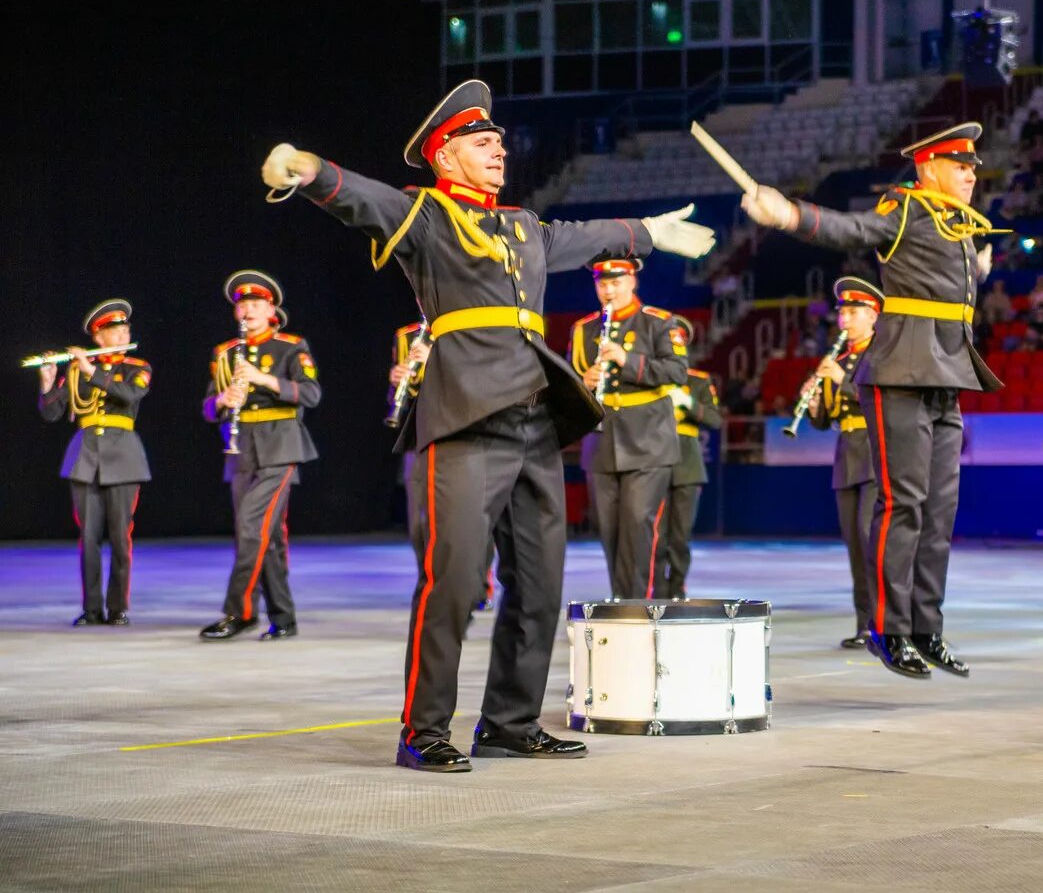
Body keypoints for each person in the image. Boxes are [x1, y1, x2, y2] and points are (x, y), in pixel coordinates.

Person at [258, 79, 714, 771]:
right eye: (481, 140)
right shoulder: (429, 217)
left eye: (499, 139)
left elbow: (584, 238)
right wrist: (309, 170)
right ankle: (424, 729)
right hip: (465, 415)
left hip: (533, 419)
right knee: (455, 579)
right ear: (445, 156)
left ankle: (509, 719)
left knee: (540, 582)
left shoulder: (524, 227)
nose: (498, 148)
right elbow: (366, 200)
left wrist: (648, 231)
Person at [740, 122, 1002, 678]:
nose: (971, 175)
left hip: (946, 375)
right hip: (902, 372)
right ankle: (888, 628)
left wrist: (973, 269)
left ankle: (926, 628)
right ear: (929, 167)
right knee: (902, 502)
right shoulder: (905, 207)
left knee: (939, 511)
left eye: (973, 167)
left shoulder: (958, 227)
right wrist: (790, 215)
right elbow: (850, 230)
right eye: (961, 166)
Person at [199, 272, 319, 644]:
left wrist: (262, 379)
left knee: (252, 527)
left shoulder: (291, 346)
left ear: (272, 310)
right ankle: (284, 617)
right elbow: (207, 408)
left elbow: (312, 394)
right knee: (266, 536)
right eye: (242, 304)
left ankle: (240, 612)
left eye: (255, 304)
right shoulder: (224, 354)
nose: (247, 309)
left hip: (281, 447)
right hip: (240, 451)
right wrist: (223, 401)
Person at [570, 259, 687, 599]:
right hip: (602, 442)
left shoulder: (659, 323)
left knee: (638, 525)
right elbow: (569, 387)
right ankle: (620, 601)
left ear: (632, 281)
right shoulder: (584, 329)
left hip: (649, 440)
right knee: (609, 530)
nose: (608, 290)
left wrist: (626, 360)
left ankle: (639, 604)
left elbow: (677, 371)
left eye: (616, 282)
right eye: (602, 283)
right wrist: (583, 382)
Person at [36, 300, 151, 627]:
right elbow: (52, 413)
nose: (123, 333)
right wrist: (47, 383)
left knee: (119, 536)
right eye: (116, 330)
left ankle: (117, 609)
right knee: (88, 537)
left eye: (125, 329)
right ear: (98, 337)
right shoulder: (74, 371)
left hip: (124, 456)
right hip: (85, 457)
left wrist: (92, 371)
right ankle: (91, 609)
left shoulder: (137, 367)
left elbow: (128, 395)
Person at [389, 321, 496, 614]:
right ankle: (431, 585)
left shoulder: (471, 330)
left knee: (469, 518)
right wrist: (399, 380)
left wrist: (434, 360)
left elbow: (480, 384)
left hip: (463, 434)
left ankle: (476, 586)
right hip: (420, 436)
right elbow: (401, 398)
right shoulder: (407, 336)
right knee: (419, 525)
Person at [804, 278, 883, 649]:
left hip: (876, 450)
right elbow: (825, 421)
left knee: (871, 541)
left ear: (872, 315)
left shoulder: (881, 352)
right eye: (842, 313)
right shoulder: (839, 359)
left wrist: (843, 381)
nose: (845, 320)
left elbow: (880, 397)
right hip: (847, 454)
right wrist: (815, 404)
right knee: (854, 544)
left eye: (853, 312)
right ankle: (864, 623)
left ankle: (885, 623)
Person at [662, 315, 722, 600]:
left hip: (687, 463)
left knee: (680, 536)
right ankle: (656, 590)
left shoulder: (698, 381)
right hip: (654, 460)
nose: (674, 346)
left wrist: (688, 403)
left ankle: (676, 588)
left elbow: (714, 419)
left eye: (678, 341)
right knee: (655, 536)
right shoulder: (650, 378)